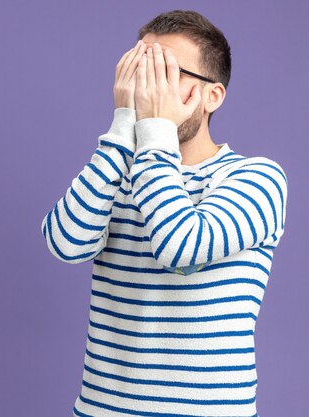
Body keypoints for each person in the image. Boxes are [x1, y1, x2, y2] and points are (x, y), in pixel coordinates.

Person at [41, 10, 287, 417]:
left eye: (168, 73)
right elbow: (65, 245)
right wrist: (123, 128)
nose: (151, 89)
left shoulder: (257, 178)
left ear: (213, 96)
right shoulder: (119, 169)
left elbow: (181, 246)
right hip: (102, 409)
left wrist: (154, 128)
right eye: (143, 70)